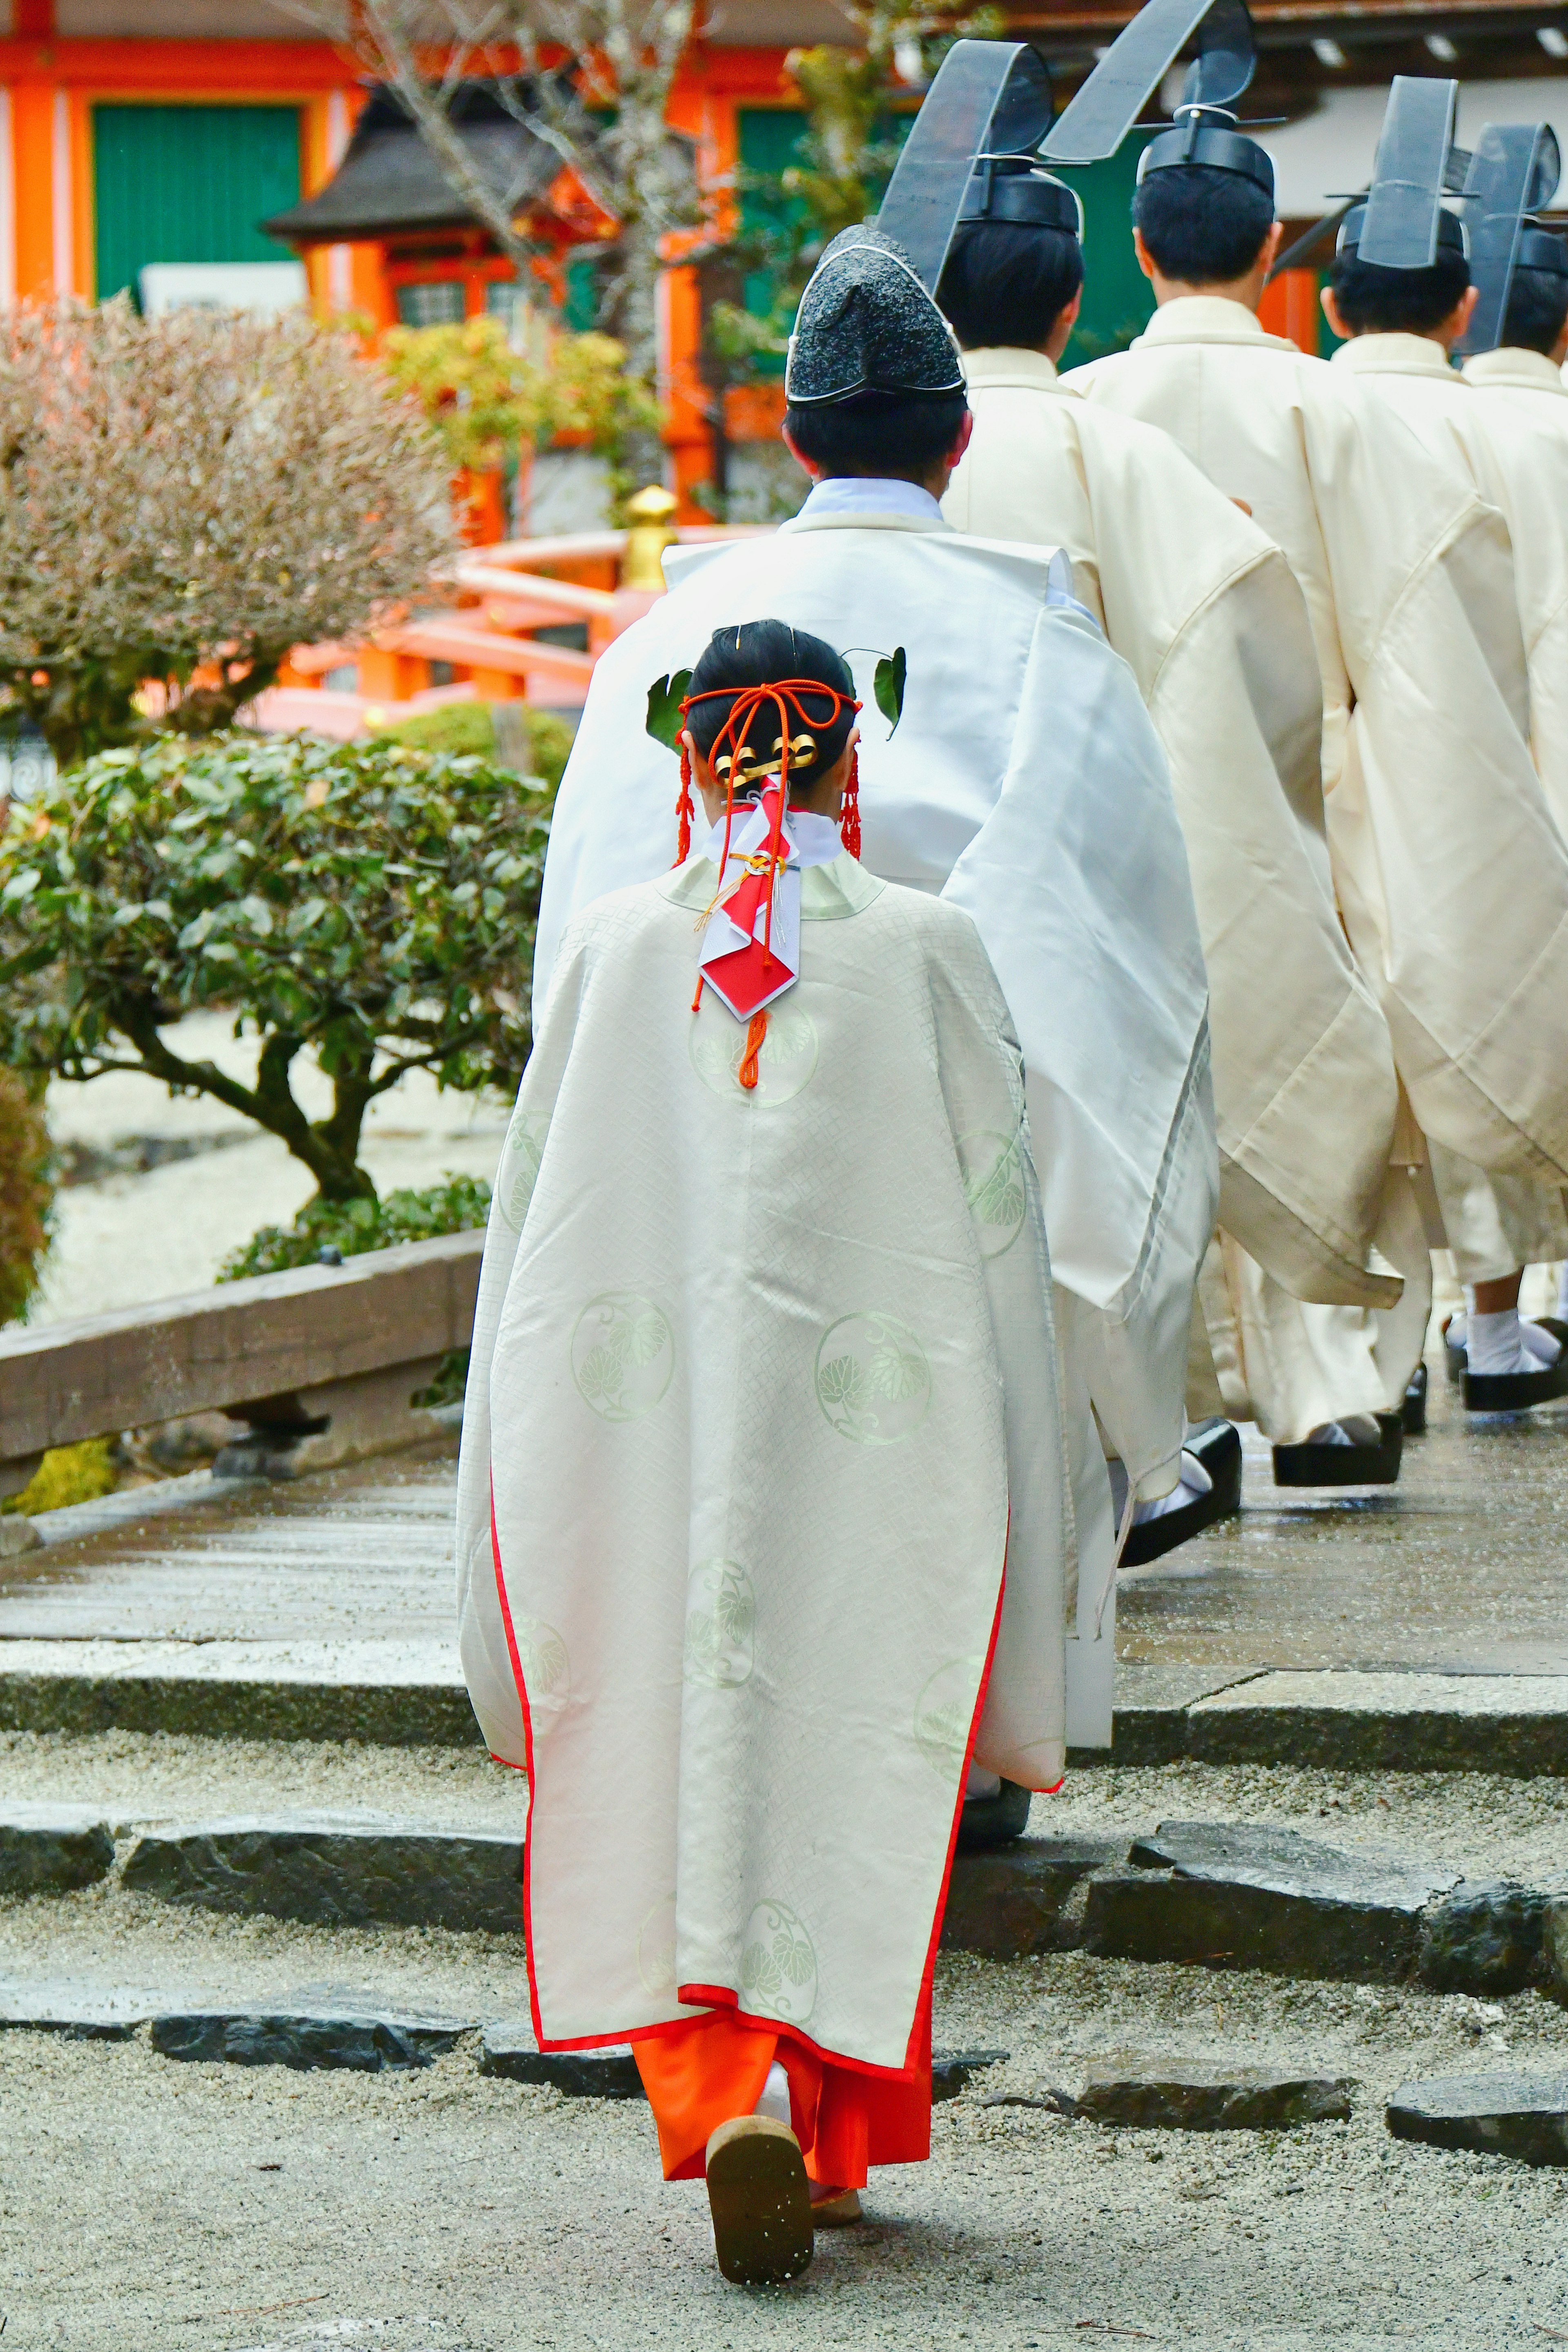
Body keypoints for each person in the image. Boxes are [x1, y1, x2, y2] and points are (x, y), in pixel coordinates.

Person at [536, 221, 1221, 1758]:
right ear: (963, 435)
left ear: (786, 437)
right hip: (950, 1122)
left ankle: (714, 1746)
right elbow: (1119, 948)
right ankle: (967, 1747)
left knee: (722, 1418)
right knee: (966, 1410)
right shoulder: (1042, 630)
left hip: (714, 1093)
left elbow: (585, 928)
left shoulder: (660, 637)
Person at [456, 619, 1074, 2283]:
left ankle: (738, 2104)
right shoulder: (927, 949)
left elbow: (533, 1235)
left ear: (689, 754)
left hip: (639, 1432)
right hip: (879, 1430)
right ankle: (831, 2128)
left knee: (678, 1729)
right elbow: (1007, 1228)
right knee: (855, 1728)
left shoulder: (602, 950)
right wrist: (1033, 1457)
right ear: (841, 759)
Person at [1069, 93, 1568, 1440]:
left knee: (1157, 1091)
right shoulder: (1334, 408)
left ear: (1139, 244)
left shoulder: (1081, 412)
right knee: (1334, 1068)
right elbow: (1428, 619)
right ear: (1272, 243)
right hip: (1317, 791)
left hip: (1123, 815)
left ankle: (1186, 1411)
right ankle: (1347, 1383)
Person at [934, 165, 1410, 1490]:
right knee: (1222, 1073)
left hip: (944, 862)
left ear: (1137, 259)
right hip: (1135, 827)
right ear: (1082, 286)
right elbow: (1252, 641)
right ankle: (1311, 1395)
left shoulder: (933, 453)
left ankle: (1117, 1430)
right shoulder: (1111, 444)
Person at [1316, 176, 1568, 1406]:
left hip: (1300, 757)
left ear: (1318, 299)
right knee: (1472, 1015)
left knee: (1331, 1035)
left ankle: (1364, 1345)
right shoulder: (1483, 427)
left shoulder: (1290, 406)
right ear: (1463, 309)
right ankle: (1492, 1316)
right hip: (1468, 752)